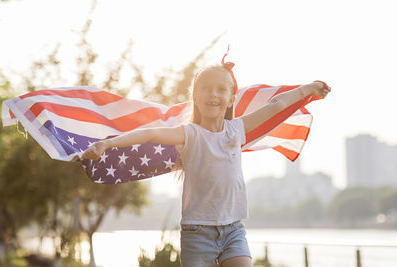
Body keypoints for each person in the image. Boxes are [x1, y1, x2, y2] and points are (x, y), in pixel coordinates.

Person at [82, 54, 331, 267]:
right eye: (206, 88)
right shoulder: (190, 134)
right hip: (197, 233)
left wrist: (307, 89)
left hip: (234, 230)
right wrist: (107, 144)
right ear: (195, 97)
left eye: (221, 89)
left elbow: (276, 105)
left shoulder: (237, 129)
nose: (213, 94)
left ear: (231, 98)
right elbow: (150, 133)